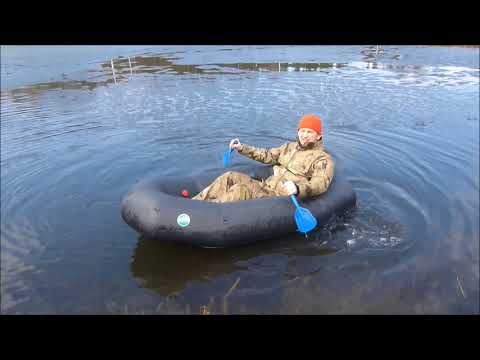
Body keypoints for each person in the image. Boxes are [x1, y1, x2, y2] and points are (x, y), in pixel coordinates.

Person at [192, 114, 335, 203]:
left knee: (241, 190)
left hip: (279, 197)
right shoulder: (288, 147)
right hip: (266, 186)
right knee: (230, 176)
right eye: (302, 131)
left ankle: (207, 212)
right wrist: (242, 148)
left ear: (318, 136)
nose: (304, 135)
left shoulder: (322, 159)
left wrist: (298, 188)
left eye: (309, 132)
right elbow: (267, 155)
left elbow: (320, 184)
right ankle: (195, 204)